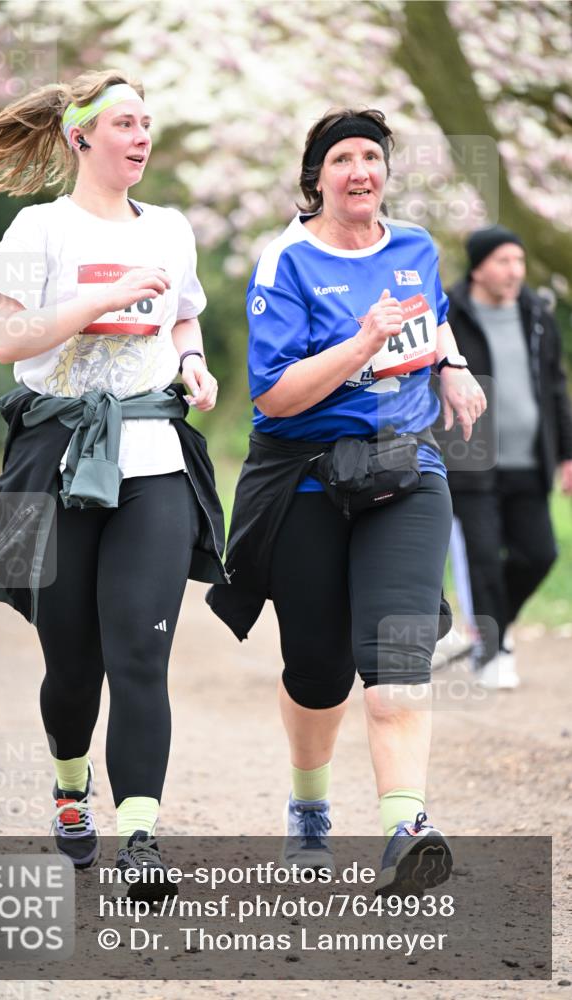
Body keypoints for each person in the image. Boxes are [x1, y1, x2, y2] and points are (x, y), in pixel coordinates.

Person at [208, 108, 486, 894]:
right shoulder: (286, 262)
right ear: (315, 178)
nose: (360, 171)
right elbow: (277, 395)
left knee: (395, 661)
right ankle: (309, 807)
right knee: (318, 670)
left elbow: (429, 320)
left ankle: (406, 827)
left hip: (404, 470)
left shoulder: (414, 247)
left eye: (371, 157)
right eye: (342, 160)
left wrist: (452, 365)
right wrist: (361, 345)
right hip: (304, 476)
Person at [0, 69, 227, 894]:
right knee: (72, 665)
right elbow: (7, 342)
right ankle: (70, 784)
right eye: (123, 122)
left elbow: (182, 312)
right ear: (81, 137)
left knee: (140, 655)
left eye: (147, 121)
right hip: (56, 458)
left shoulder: (173, 229)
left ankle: (140, 837)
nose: (141, 136)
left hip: (151, 456)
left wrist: (192, 362)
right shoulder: (37, 230)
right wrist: (103, 296)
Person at [441, 225, 572, 689]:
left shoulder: (537, 313)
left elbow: (555, 384)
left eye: (518, 261)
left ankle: (492, 630)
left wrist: (567, 454)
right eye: (503, 261)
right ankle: (492, 652)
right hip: (471, 455)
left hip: (531, 459)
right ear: (478, 267)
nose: (515, 271)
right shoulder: (449, 314)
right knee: (483, 558)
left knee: (539, 553)